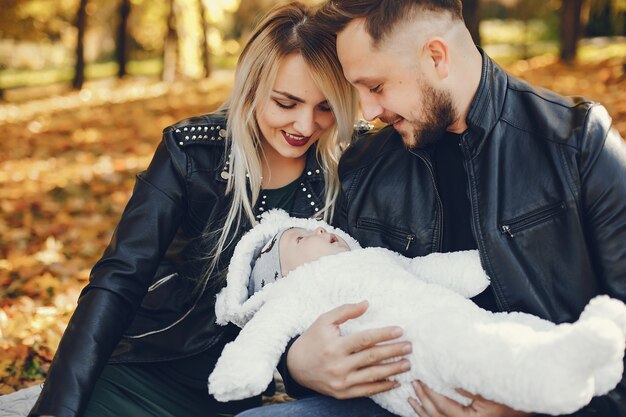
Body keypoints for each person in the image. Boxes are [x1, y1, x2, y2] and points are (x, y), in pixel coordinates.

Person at [237, 1, 626, 417]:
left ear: (436, 57)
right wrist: (299, 365)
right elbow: (319, 291)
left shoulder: (576, 143)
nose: (367, 112)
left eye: (376, 87)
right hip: (398, 400)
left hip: (552, 395)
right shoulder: (363, 166)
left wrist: (525, 407)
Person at [28, 3, 358, 417]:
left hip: (233, 394)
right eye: (286, 103)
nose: (306, 125)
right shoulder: (192, 152)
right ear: (251, 88)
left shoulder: (347, 170)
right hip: (141, 373)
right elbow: (119, 278)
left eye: (325, 107)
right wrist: (57, 408)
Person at [209, 211, 626, 417]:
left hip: (457, 317)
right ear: (283, 276)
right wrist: (285, 367)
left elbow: (426, 269)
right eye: (300, 238)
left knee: (506, 331)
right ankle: (563, 379)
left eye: (314, 226)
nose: (319, 229)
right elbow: (262, 336)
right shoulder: (297, 291)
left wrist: (488, 261)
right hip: (414, 353)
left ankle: (587, 359)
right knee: (481, 353)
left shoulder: (374, 257)